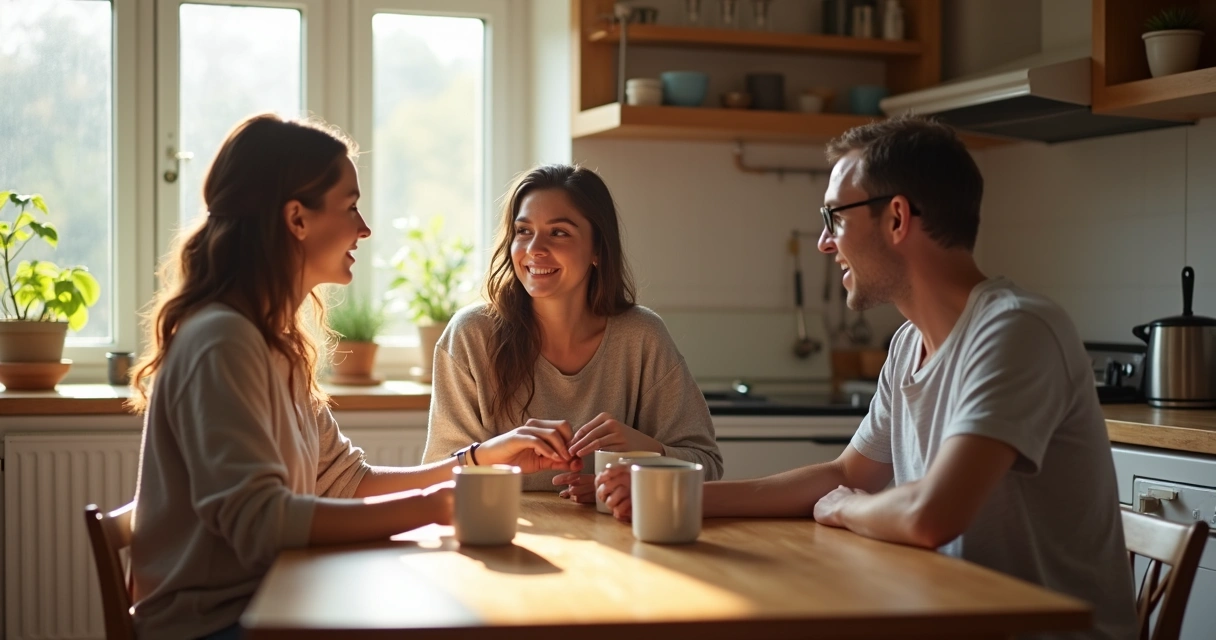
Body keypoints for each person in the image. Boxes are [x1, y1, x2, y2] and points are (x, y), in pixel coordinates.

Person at [597, 116, 1137, 639]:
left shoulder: (1015, 329)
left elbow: (931, 515)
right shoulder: (907, 345)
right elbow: (843, 472)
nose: (824, 243)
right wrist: (667, 495)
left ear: (898, 219)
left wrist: (846, 506)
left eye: (835, 217)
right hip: (950, 617)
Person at [127, 114, 574, 640]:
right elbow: (261, 525)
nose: (363, 228)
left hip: (272, 599)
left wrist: (478, 459)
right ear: (297, 219)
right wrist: (429, 508)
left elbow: (346, 482)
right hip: (215, 625)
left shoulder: (274, 343)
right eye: (350, 206)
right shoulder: (222, 341)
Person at [422, 164, 722, 500]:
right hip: (501, 534)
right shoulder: (470, 335)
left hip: (614, 542)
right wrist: (497, 455)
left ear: (597, 250)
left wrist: (648, 455)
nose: (535, 249)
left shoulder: (642, 337)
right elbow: (437, 477)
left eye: (559, 233)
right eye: (523, 231)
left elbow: (707, 465)